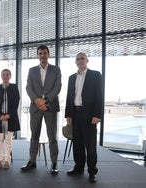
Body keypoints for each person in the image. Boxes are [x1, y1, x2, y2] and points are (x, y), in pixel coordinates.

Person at [21, 45, 62, 174]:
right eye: (40, 53)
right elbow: (28, 87)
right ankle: (31, 161)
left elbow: (58, 87)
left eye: (44, 53)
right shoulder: (32, 70)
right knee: (34, 136)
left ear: (48, 54)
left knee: (52, 137)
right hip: (36, 107)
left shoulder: (56, 70)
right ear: (37, 55)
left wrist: (45, 101)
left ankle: (54, 163)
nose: (42, 56)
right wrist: (37, 101)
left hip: (50, 107)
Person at [65, 52, 103, 183]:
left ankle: (92, 171)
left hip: (90, 115)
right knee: (77, 144)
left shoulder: (96, 75)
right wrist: (68, 115)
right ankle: (79, 167)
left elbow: (100, 96)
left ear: (87, 60)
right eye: (77, 59)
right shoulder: (71, 78)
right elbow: (69, 97)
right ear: (75, 62)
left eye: (82, 58)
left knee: (90, 145)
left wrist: (97, 115)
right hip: (75, 114)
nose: (80, 61)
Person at [0, 69, 20, 169]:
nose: (5, 76)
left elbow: (16, 102)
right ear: (1, 76)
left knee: (8, 140)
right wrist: (0, 115)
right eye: (3, 75)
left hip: (10, 118)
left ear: (10, 76)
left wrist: (9, 115)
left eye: (7, 75)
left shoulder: (14, 87)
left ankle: (7, 160)